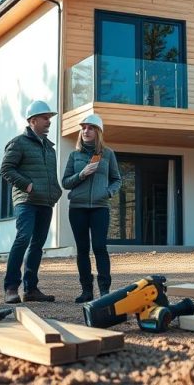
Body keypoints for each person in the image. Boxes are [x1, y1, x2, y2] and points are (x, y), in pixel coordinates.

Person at [0, 100, 62, 304]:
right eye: (45, 118)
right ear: (32, 120)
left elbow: (49, 174)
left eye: (49, 118)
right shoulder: (18, 142)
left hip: (45, 202)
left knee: (37, 244)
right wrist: (27, 185)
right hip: (26, 200)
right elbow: (6, 170)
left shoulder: (50, 148)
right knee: (23, 238)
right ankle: (11, 287)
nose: (49, 122)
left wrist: (55, 191)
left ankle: (31, 289)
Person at [61, 114, 121, 303]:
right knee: (82, 249)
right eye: (84, 128)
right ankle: (86, 291)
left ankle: (104, 290)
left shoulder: (108, 154)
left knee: (99, 247)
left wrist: (108, 193)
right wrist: (81, 174)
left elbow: (117, 179)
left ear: (98, 132)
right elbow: (65, 183)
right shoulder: (74, 155)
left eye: (90, 128)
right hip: (77, 208)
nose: (86, 131)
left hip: (100, 207)